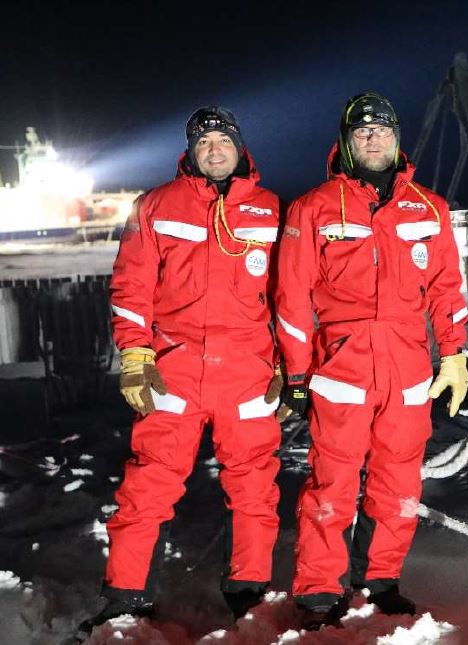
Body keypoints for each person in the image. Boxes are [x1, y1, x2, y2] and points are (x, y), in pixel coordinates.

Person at [80, 107, 284, 634]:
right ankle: (125, 595)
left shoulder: (270, 210)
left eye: (223, 140)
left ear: (240, 147)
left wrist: (289, 366)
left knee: (255, 487)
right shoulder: (155, 206)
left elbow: (289, 295)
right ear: (191, 151)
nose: (215, 149)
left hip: (247, 370)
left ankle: (248, 591)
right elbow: (131, 288)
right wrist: (134, 355)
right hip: (173, 368)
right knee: (148, 484)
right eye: (204, 142)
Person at [274, 92, 468, 627]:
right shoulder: (313, 207)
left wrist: (454, 356)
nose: (374, 138)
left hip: (408, 367)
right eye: (363, 132)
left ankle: (380, 579)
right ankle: (318, 590)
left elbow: (446, 289)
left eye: (383, 130)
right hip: (341, 368)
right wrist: (294, 374)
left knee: (399, 483)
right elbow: (291, 299)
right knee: (330, 485)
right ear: (346, 141)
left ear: (398, 138)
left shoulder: (429, 207)